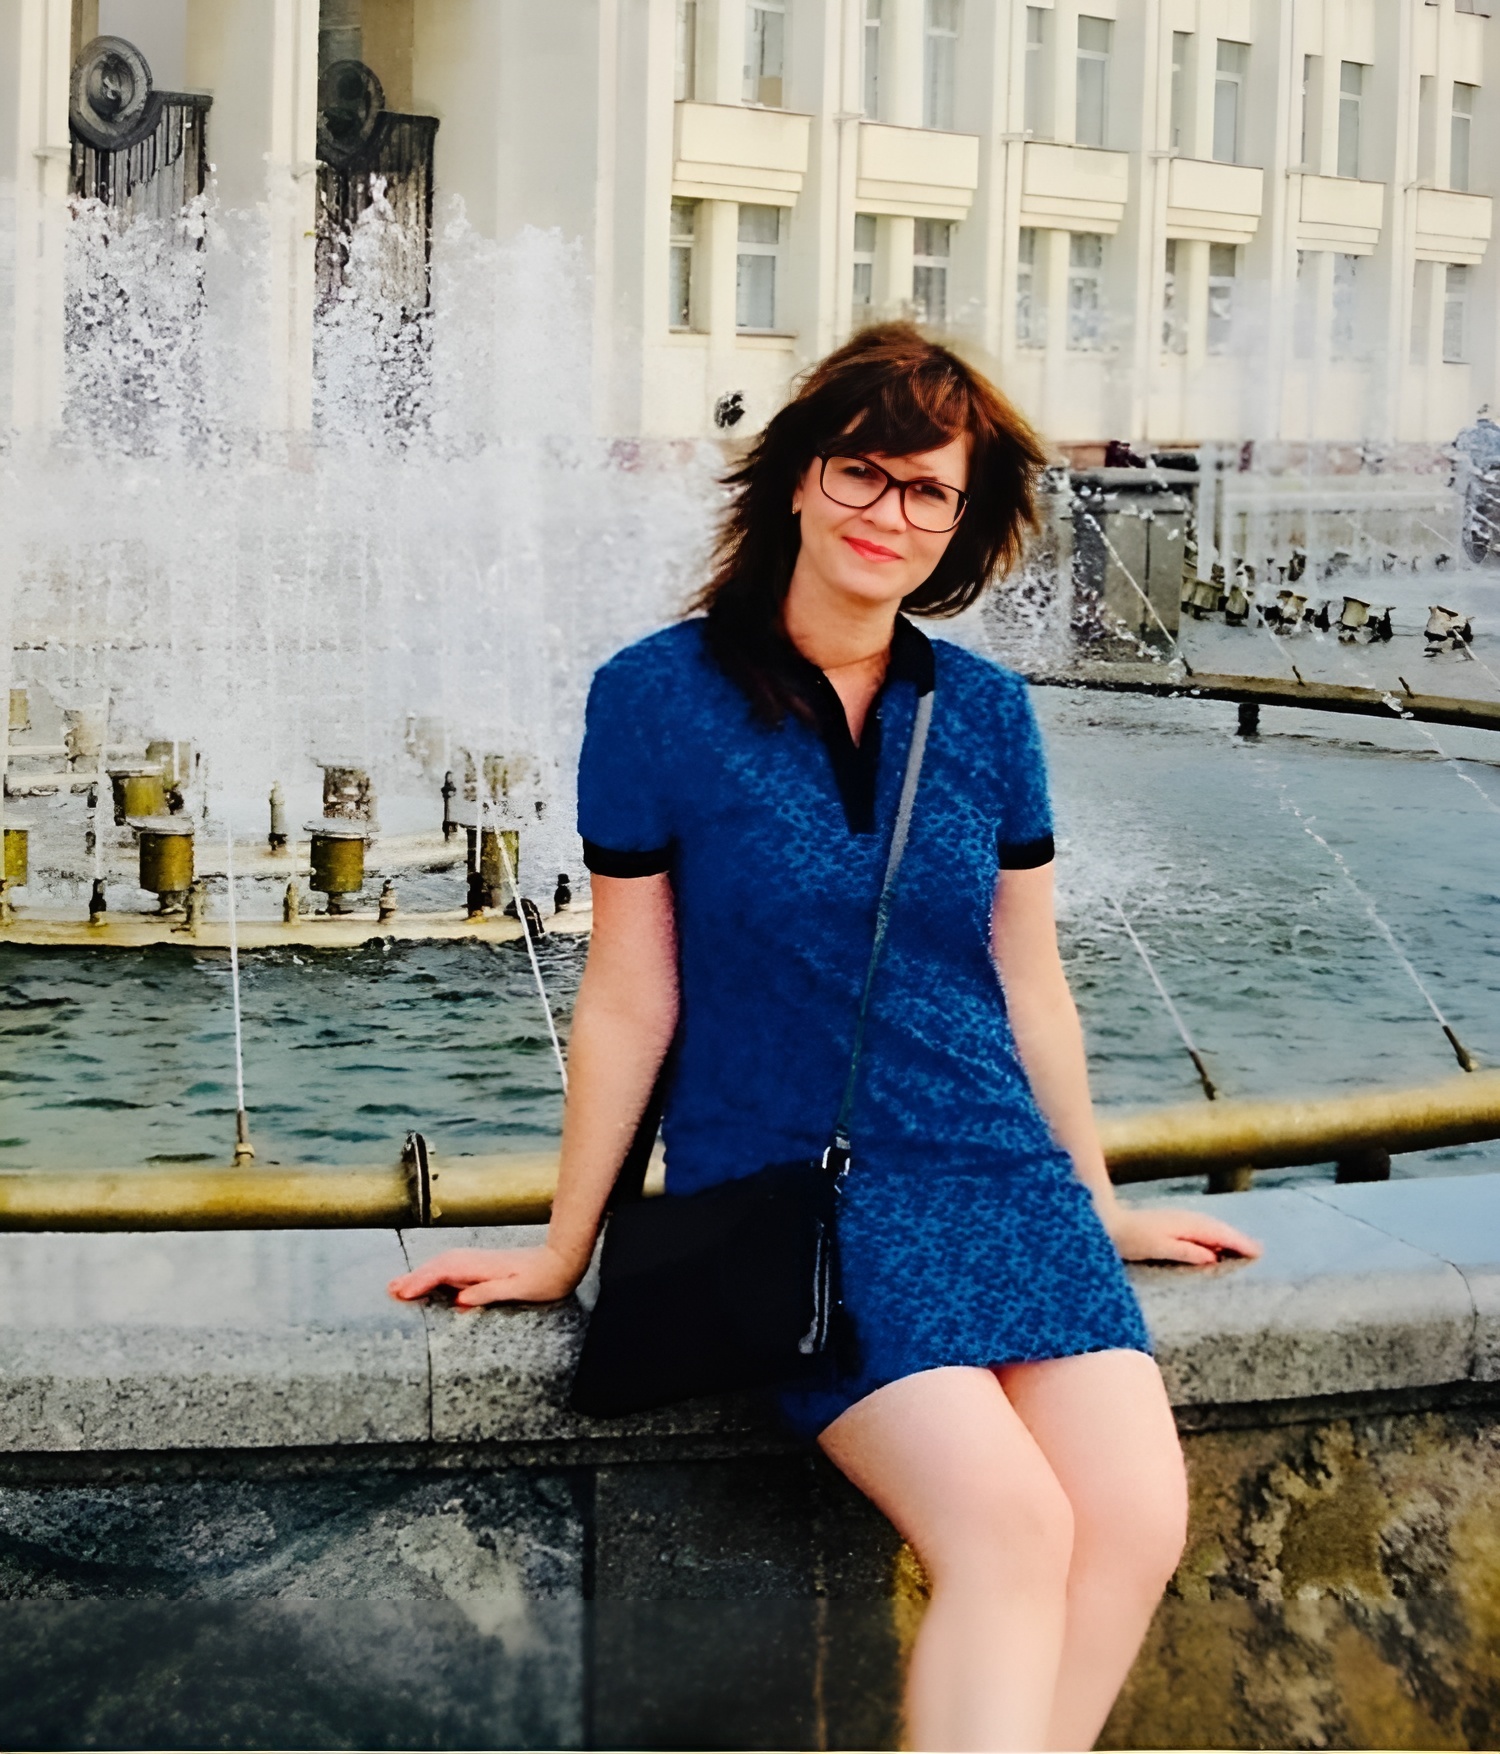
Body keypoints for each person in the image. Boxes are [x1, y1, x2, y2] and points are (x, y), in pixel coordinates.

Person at [389, 324, 1260, 1751]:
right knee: (1009, 1527)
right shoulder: (655, 697)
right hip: (803, 1185)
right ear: (799, 475)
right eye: (862, 471)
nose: (888, 513)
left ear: (961, 524)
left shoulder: (987, 715)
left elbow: (1029, 981)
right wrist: (564, 1244)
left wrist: (1099, 1202)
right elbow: (630, 994)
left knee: (1134, 1519)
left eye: (928, 491)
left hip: (999, 1175)